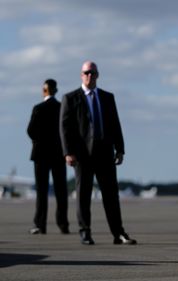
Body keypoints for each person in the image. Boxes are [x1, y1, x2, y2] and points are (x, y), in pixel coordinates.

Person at [59, 61, 136, 245]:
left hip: (105, 153)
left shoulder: (107, 97)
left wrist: (120, 149)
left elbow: (115, 124)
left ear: (98, 75)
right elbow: (64, 128)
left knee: (111, 196)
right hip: (82, 155)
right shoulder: (70, 98)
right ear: (81, 75)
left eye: (93, 73)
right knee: (83, 195)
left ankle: (118, 233)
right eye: (86, 73)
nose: (89, 76)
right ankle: (85, 231)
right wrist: (68, 152)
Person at [27, 79, 70, 235]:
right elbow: (68, 130)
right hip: (58, 154)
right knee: (61, 191)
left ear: (44, 90)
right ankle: (63, 224)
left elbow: (30, 130)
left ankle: (40, 224)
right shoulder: (61, 108)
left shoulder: (38, 108)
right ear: (56, 90)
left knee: (41, 191)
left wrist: (39, 141)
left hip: (41, 155)